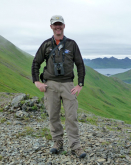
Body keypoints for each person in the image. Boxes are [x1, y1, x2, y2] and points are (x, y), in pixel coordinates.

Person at [31, 15, 86, 158]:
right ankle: (57, 142)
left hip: (68, 84)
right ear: (51, 27)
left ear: (64, 26)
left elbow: (80, 64)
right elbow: (36, 63)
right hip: (50, 85)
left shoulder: (72, 44)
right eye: (55, 25)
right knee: (53, 116)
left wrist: (80, 84)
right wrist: (37, 81)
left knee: (71, 116)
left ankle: (75, 146)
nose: (58, 27)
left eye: (60, 24)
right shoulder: (46, 45)